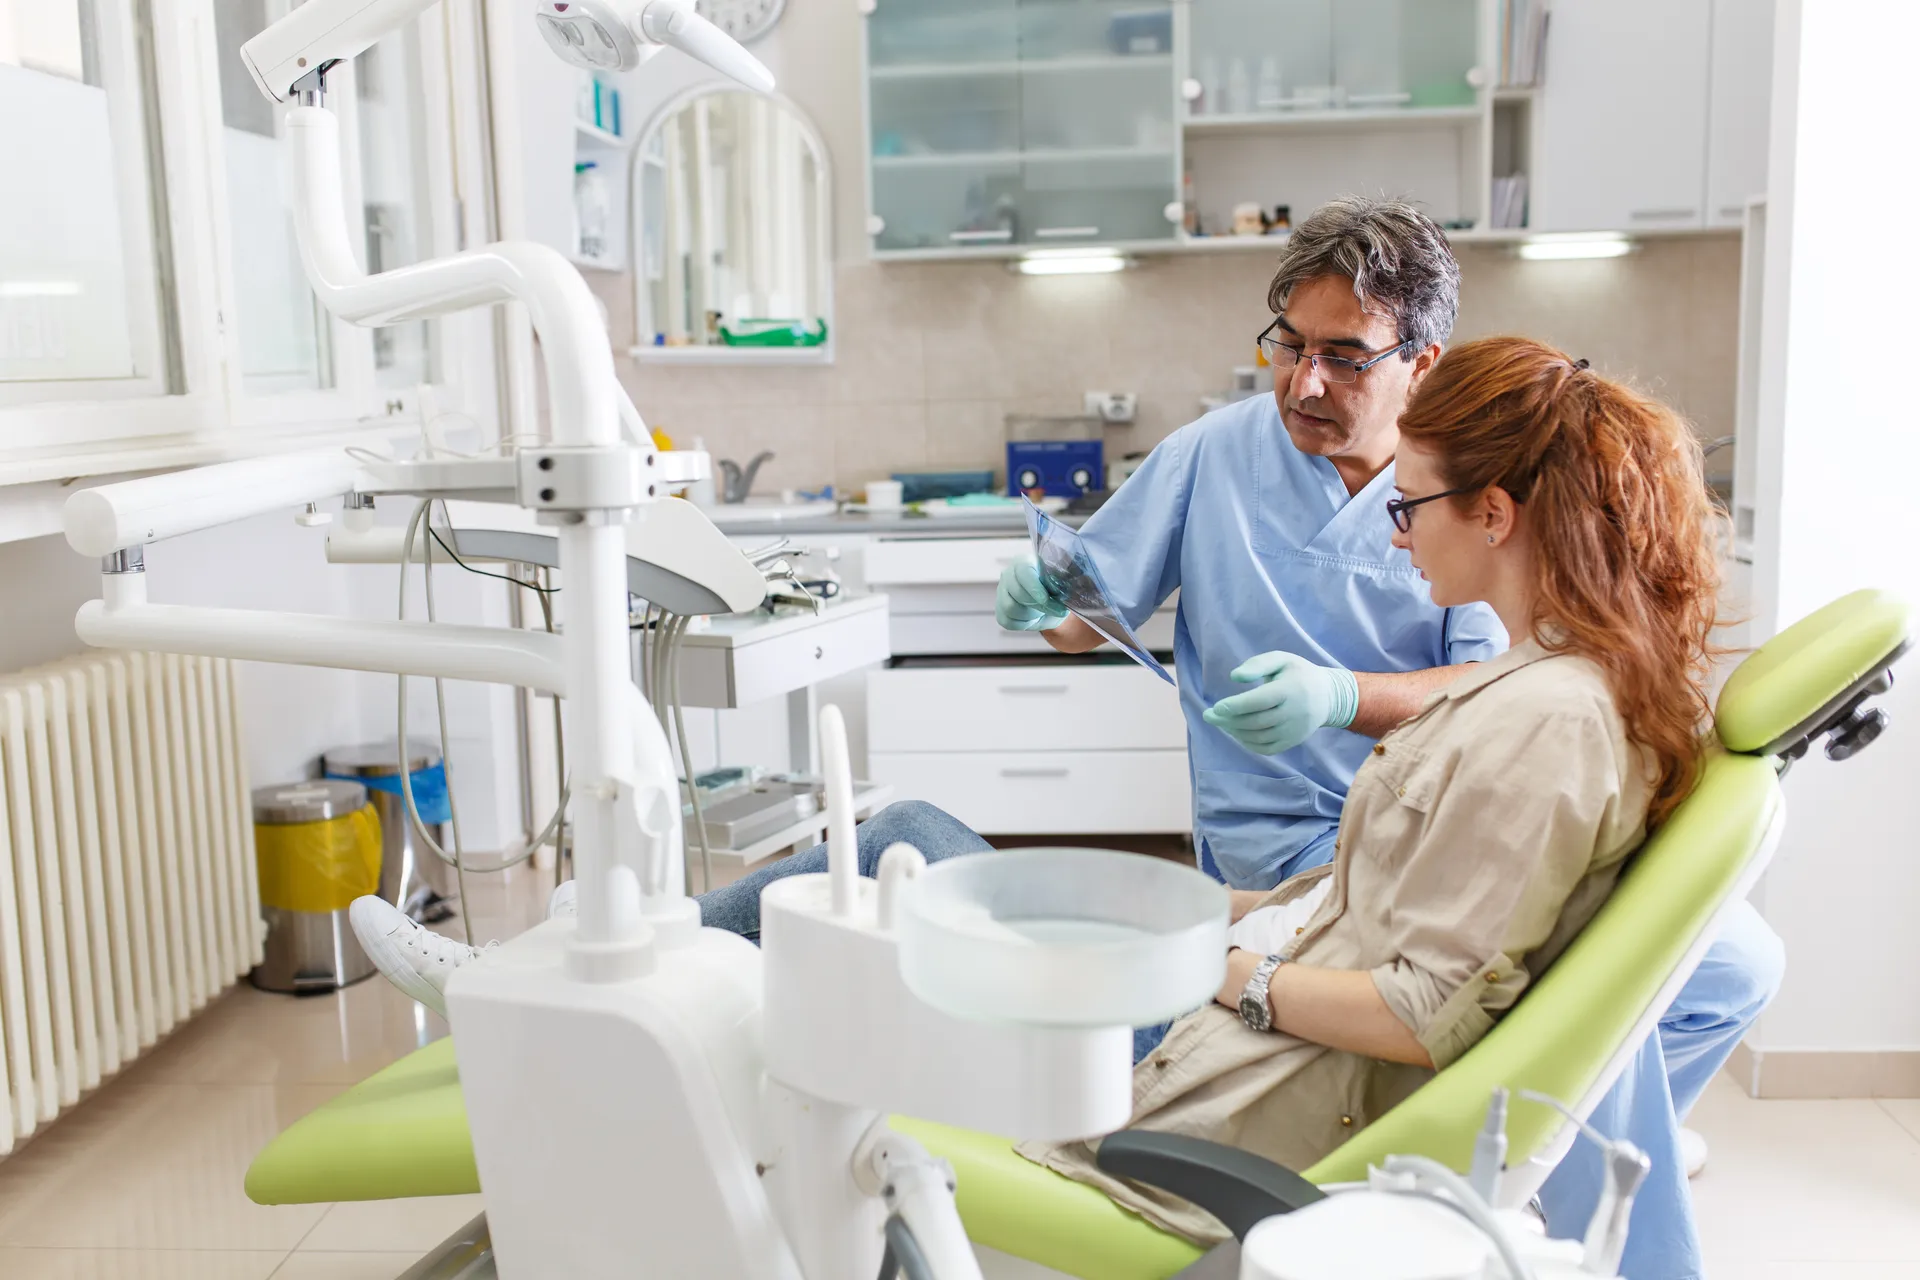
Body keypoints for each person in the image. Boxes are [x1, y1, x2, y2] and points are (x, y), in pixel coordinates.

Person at [353, 199, 1779, 1280]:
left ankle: (602, 1019)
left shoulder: (1531, 692)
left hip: (1321, 944)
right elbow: (1082, 615)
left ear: (1431, 381)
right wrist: (1058, 599)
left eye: (1347, 361)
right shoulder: (1496, 623)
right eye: (1288, 347)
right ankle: (570, 992)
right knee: (910, 850)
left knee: (890, 885)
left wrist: (1334, 720)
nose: (1306, 386)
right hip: (1308, 894)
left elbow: (1424, 990)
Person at [1021, 334, 1724, 1244]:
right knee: (929, 873)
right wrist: (1189, 910)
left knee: (890, 882)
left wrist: (1216, 967)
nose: (1395, 533)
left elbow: (1425, 1008)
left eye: (1409, 506)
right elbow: (1372, 904)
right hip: (1274, 968)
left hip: (1254, 1061)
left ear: (1496, 516)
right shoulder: (1539, 679)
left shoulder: (1551, 722)